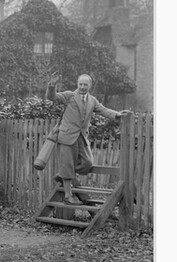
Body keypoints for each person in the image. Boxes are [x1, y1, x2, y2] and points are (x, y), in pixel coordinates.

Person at [46, 73, 131, 205]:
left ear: (89, 86)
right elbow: (53, 97)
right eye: (80, 84)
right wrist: (52, 85)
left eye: (85, 85)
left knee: (87, 163)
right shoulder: (69, 96)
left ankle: (62, 175)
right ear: (77, 84)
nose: (82, 87)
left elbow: (103, 110)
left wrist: (117, 114)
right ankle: (68, 196)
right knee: (67, 164)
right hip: (66, 136)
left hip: (81, 137)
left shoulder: (92, 101)